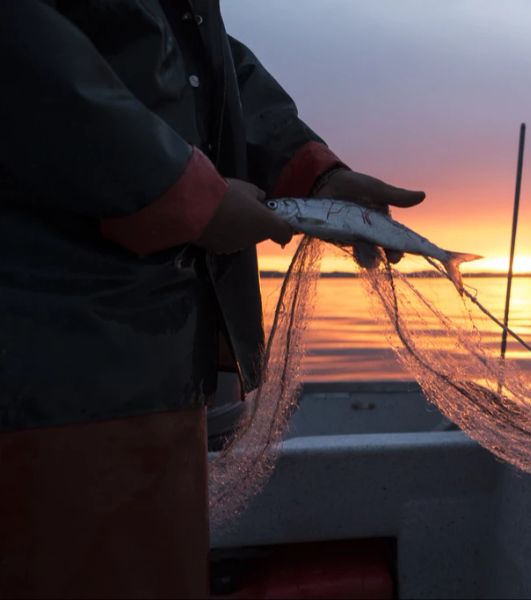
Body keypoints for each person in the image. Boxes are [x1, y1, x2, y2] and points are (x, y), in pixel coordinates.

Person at [0, 2, 424, 597]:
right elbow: (27, 53)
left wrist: (316, 175)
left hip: (162, 362)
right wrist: (186, 195)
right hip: (51, 372)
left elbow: (199, 63)